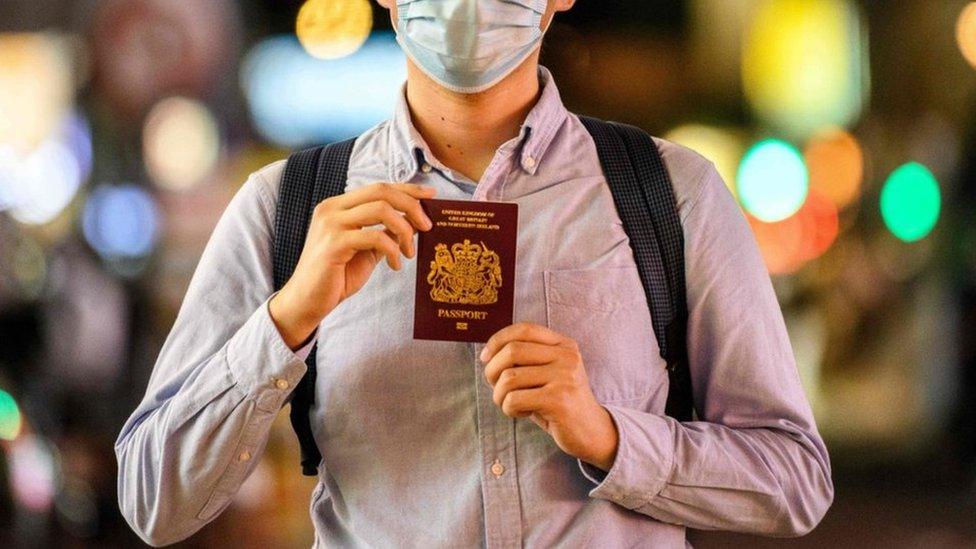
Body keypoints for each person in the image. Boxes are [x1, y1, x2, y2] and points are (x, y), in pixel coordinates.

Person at [115, 0, 834, 546]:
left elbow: (794, 479)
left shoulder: (669, 195)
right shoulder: (289, 210)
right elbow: (153, 498)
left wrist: (611, 437)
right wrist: (288, 318)